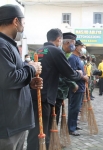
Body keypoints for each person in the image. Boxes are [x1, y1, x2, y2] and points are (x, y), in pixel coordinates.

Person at [27, 30, 83, 150]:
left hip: (34, 94)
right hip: (46, 95)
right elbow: (69, 73)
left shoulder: (39, 50)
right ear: (59, 39)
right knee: (44, 131)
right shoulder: (56, 51)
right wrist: (79, 74)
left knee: (35, 129)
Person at [0, 4, 42, 150]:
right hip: (7, 128)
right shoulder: (1, 45)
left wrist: (29, 82)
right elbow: (7, 79)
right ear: (15, 21)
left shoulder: (9, 45)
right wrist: (31, 68)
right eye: (23, 23)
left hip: (17, 123)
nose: (23, 28)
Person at [55, 32, 80, 125]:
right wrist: (73, 83)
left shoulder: (66, 54)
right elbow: (63, 74)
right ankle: (51, 138)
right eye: (74, 43)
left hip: (61, 92)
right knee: (54, 117)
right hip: (57, 91)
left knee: (56, 116)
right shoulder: (60, 54)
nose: (74, 46)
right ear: (68, 43)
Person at [68, 40, 89, 136]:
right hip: (75, 87)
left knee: (77, 108)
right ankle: (71, 128)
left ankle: (74, 124)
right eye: (81, 46)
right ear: (76, 47)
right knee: (74, 108)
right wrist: (83, 77)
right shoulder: (72, 58)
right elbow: (72, 73)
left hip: (80, 87)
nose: (82, 49)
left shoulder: (78, 58)